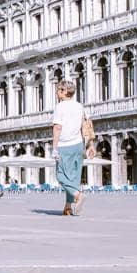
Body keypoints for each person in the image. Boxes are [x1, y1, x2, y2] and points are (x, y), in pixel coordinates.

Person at [52, 81, 93, 217]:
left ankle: (78, 195)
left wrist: (54, 147)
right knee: (73, 177)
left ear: (64, 91)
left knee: (61, 175)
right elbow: (86, 126)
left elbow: (57, 127)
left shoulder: (60, 107)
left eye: (58, 90)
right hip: (78, 145)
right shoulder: (79, 106)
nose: (57, 92)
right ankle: (68, 207)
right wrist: (90, 145)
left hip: (64, 145)